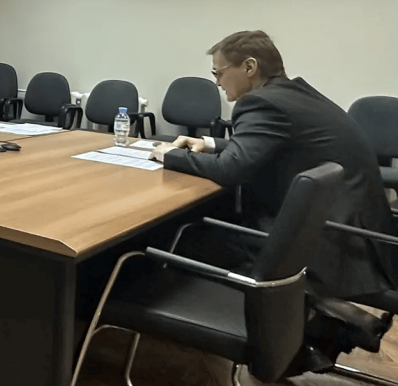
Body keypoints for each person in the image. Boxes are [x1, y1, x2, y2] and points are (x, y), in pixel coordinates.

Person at [149, 30, 398, 301]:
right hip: (359, 237)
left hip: (329, 248)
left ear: (249, 67)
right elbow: (271, 147)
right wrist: (209, 144)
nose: (217, 82)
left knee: (174, 236)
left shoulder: (261, 102)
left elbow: (229, 170)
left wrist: (170, 155)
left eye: (218, 73)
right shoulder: (295, 94)